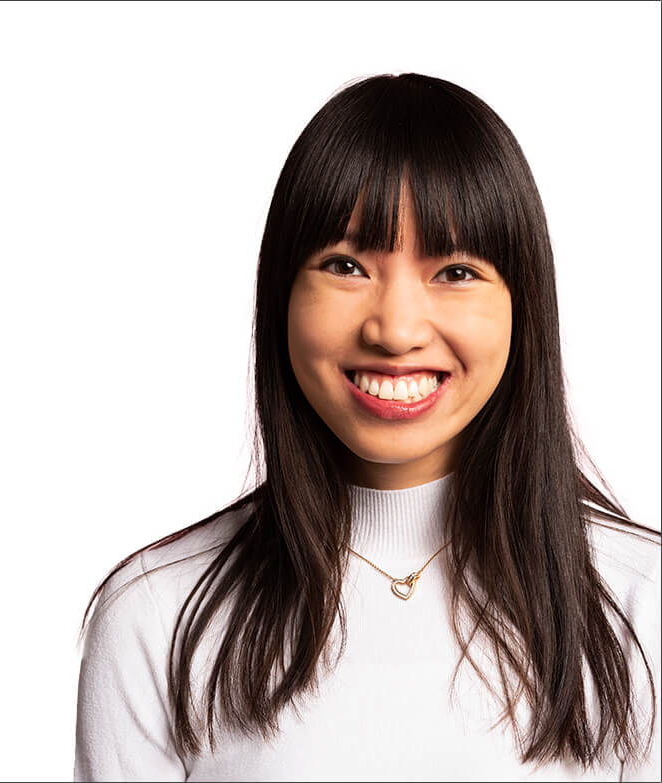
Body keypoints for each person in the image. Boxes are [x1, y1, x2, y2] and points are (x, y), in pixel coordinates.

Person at [73, 73, 661, 781]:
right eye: (346, 265)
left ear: (522, 305)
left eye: (454, 270)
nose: (396, 329)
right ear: (279, 297)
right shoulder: (159, 613)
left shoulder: (639, 604)